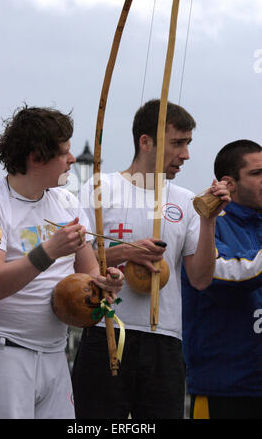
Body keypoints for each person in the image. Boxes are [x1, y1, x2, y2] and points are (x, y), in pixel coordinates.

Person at [71, 99, 230, 419]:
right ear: (146, 141)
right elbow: (76, 266)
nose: (185, 154)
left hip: (165, 341)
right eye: (177, 143)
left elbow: (200, 279)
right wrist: (127, 252)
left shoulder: (186, 201)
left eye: (188, 143)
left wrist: (209, 219)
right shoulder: (100, 188)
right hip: (106, 333)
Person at [0, 105, 123, 419]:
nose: (73, 159)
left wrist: (106, 282)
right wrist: (49, 250)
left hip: (54, 353)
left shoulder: (66, 201)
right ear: (36, 158)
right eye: (64, 152)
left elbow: (89, 270)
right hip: (3, 354)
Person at [182, 139, 262, 419]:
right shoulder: (207, 224)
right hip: (225, 388)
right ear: (229, 184)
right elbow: (218, 276)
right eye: (256, 173)